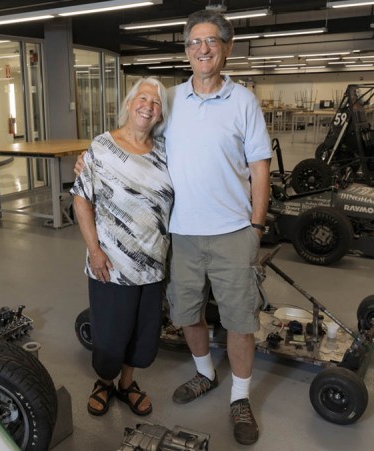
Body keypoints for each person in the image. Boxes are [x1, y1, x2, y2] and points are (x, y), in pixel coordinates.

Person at [74, 9, 271, 445]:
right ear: (186, 51)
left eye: (211, 42)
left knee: (239, 320)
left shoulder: (244, 102)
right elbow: (138, 140)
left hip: (233, 230)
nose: (202, 49)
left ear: (226, 47)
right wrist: (89, 159)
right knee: (186, 314)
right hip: (179, 234)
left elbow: (260, 167)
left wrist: (256, 226)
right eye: (194, 43)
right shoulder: (173, 100)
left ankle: (240, 398)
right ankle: (205, 374)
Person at [70, 77, 174, 418]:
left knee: (143, 338)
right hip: (111, 263)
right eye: (142, 98)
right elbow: (81, 200)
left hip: (153, 263)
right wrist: (95, 251)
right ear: (130, 103)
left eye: (156, 102)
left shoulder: (164, 153)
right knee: (110, 336)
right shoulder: (101, 147)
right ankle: (104, 382)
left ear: (160, 114)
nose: (148, 105)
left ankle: (127, 383)